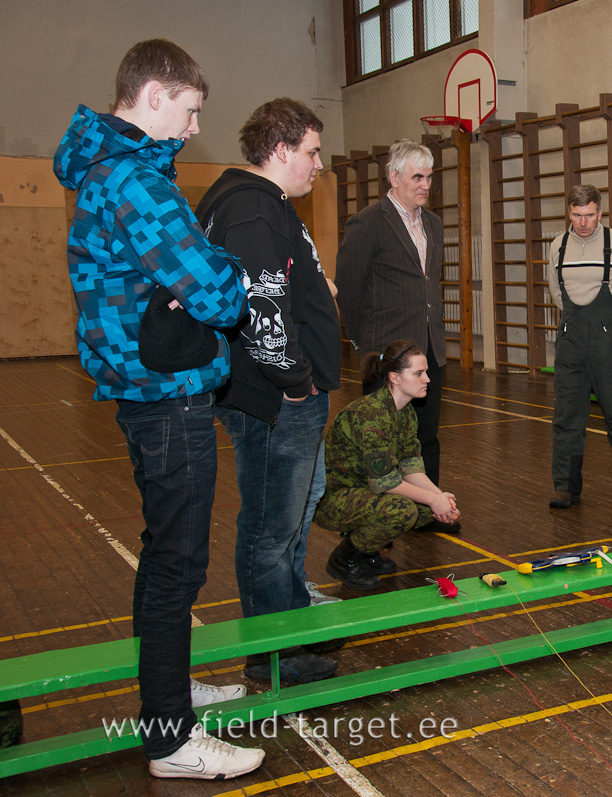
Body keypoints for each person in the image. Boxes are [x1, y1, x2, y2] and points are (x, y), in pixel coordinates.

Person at [53, 39, 263, 779]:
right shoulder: (135, 181)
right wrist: (228, 273)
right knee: (178, 564)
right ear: (151, 97)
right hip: (166, 396)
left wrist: (194, 281)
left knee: (163, 556)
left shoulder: (105, 172)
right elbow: (214, 291)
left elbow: (185, 283)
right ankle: (171, 736)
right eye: (189, 109)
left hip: (145, 391)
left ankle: (165, 689)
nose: (194, 126)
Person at [196, 98, 341, 684]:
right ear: (280, 149)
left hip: (276, 397)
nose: (318, 163)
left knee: (288, 519)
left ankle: (289, 625)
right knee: (269, 529)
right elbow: (263, 310)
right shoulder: (254, 209)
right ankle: (273, 653)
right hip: (275, 401)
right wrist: (296, 383)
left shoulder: (258, 203)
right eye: (311, 151)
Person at [335, 141, 457, 532]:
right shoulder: (368, 222)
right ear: (394, 177)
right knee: (380, 443)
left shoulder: (434, 224)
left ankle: (428, 510)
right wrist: (362, 343)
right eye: (417, 177)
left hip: (429, 349)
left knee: (425, 436)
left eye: (429, 177)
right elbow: (349, 289)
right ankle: (379, 521)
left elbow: (428, 283)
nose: (426, 185)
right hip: (386, 352)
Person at [316, 341, 462, 591]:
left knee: (426, 509)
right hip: (334, 498)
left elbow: (411, 467)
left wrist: (440, 499)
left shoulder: (404, 412)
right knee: (402, 510)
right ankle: (345, 558)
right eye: (418, 373)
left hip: (365, 490)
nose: (427, 379)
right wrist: (432, 498)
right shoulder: (372, 414)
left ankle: (367, 550)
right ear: (395, 377)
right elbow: (384, 481)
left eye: (426, 372)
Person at [546, 185, 612, 508]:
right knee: (567, 415)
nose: (583, 222)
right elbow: (557, 294)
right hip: (571, 338)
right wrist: (579, 323)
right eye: (577, 215)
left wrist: (609, 325)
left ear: (600, 212)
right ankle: (566, 486)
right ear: (569, 213)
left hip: (609, 341)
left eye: (589, 215)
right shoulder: (557, 247)